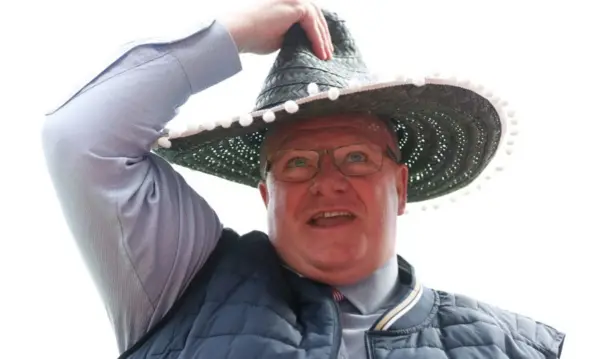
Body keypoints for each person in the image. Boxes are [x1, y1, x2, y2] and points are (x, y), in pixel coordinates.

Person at [41, 0, 566, 358]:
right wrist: (230, 39)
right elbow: (80, 139)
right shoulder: (183, 289)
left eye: (357, 158)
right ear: (266, 193)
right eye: (297, 163)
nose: (328, 181)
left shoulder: (516, 346)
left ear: (400, 187)